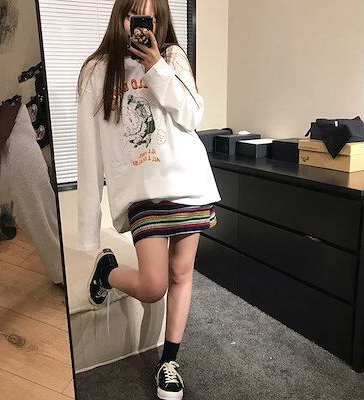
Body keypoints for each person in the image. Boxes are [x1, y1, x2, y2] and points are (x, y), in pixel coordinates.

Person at [76, 0, 221, 399]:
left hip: (188, 184)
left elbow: (192, 115)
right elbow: (88, 150)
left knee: (182, 274)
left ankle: (169, 361)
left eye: (149, 17)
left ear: (159, 20)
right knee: (154, 285)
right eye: (132, 15)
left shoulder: (172, 57)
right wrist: (88, 228)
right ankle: (107, 272)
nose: (140, 24)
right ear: (119, 16)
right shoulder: (96, 70)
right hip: (142, 193)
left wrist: (157, 66)